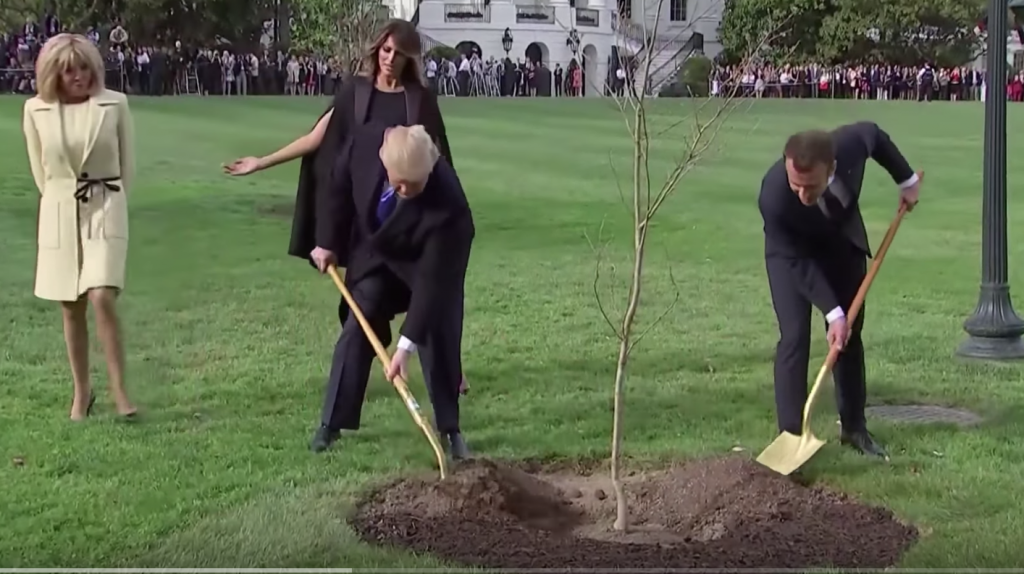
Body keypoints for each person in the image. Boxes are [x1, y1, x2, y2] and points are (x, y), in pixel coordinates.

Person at [222, 19, 467, 394]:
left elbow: (439, 160)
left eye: (398, 54)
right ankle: (366, 359)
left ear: (408, 58)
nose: (389, 59)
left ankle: (450, 368)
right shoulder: (355, 92)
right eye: (385, 50)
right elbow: (317, 138)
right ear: (376, 50)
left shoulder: (418, 100)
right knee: (362, 297)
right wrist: (262, 162)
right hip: (364, 216)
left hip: (411, 220)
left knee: (437, 287)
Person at [758, 123, 922, 460]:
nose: (802, 195)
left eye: (811, 186)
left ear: (831, 167)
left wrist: (906, 181)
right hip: (791, 258)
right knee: (794, 338)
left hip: (840, 247)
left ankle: (854, 429)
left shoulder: (847, 147)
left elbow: (876, 135)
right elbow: (796, 261)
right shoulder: (774, 195)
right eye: (796, 185)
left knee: (849, 336)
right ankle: (791, 440)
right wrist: (833, 312)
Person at [309, 123, 472, 457]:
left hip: (428, 269)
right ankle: (331, 424)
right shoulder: (363, 146)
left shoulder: (450, 207)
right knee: (358, 327)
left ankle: (450, 430)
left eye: (414, 185)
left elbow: (431, 282)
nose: (404, 189)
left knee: (438, 335)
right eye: (398, 182)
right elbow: (336, 187)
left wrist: (404, 348)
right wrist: (327, 241)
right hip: (377, 258)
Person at [22, 33, 137, 421]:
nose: (79, 76)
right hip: (59, 210)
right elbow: (41, 172)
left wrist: (110, 201)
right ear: (53, 72)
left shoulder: (114, 104)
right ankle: (82, 391)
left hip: (106, 205)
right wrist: (61, 199)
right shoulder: (35, 110)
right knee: (70, 305)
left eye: (85, 67)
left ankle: (121, 392)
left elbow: (128, 167)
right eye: (69, 69)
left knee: (102, 294)